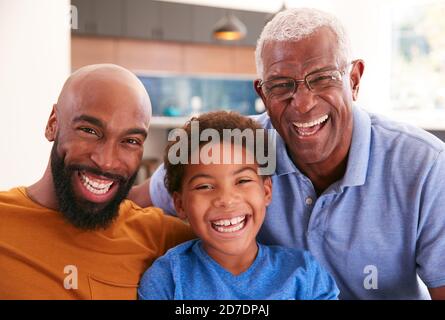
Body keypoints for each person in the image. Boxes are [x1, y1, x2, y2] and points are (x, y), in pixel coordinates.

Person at [129, 8, 445, 300]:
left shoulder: (426, 166)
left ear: (354, 79)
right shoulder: (235, 146)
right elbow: (130, 209)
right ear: (262, 94)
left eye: (323, 78)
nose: (303, 103)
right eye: (281, 85)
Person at [0, 64, 194, 300]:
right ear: (53, 124)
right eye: (89, 131)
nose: (106, 162)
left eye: (131, 141)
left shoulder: (161, 237)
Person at [137, 111, 339, 300]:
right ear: (180, 205)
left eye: (242, 181)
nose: (226, 199)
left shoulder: (305, 274)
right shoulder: (168, 278)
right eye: (205, 186)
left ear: (266, 191)